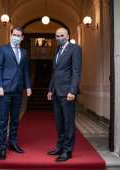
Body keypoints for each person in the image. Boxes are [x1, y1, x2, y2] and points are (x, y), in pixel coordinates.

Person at [0, 27, 32, 160]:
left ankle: (13, 143)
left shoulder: (24, 52)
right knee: (3, 120)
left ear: (22, 38)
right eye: (14, 34)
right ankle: (2, 148)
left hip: (18, 90)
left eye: (18, 35)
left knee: (15, 119)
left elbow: (25, 71)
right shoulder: (3, 49)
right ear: (11, 35)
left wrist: (28, 86)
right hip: (4, 90)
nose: (16, 37)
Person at [47, 27, 82, 162]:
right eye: (57, 36)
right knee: (59, 122)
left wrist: (73, 91)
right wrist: (50, 89)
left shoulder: (75, 49)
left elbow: (76, 71)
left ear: (67, 36)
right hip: (56, 92)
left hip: (68, 93)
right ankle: (60, 146)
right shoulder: (57, 50)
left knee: (68, 123)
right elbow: (55, 72)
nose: (59, 38)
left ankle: (68, 150)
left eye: (62, 35)